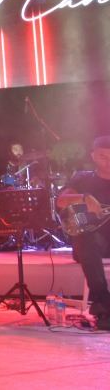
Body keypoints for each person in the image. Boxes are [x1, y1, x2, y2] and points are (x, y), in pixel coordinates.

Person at [56, 136, 110, 331]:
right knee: (85, 237)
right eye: (103, 156)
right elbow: (61, 200)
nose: (108, 161)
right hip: (90, 244)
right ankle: (103, 305)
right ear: (93, 156)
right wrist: (84, 198)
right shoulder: (83, 178)